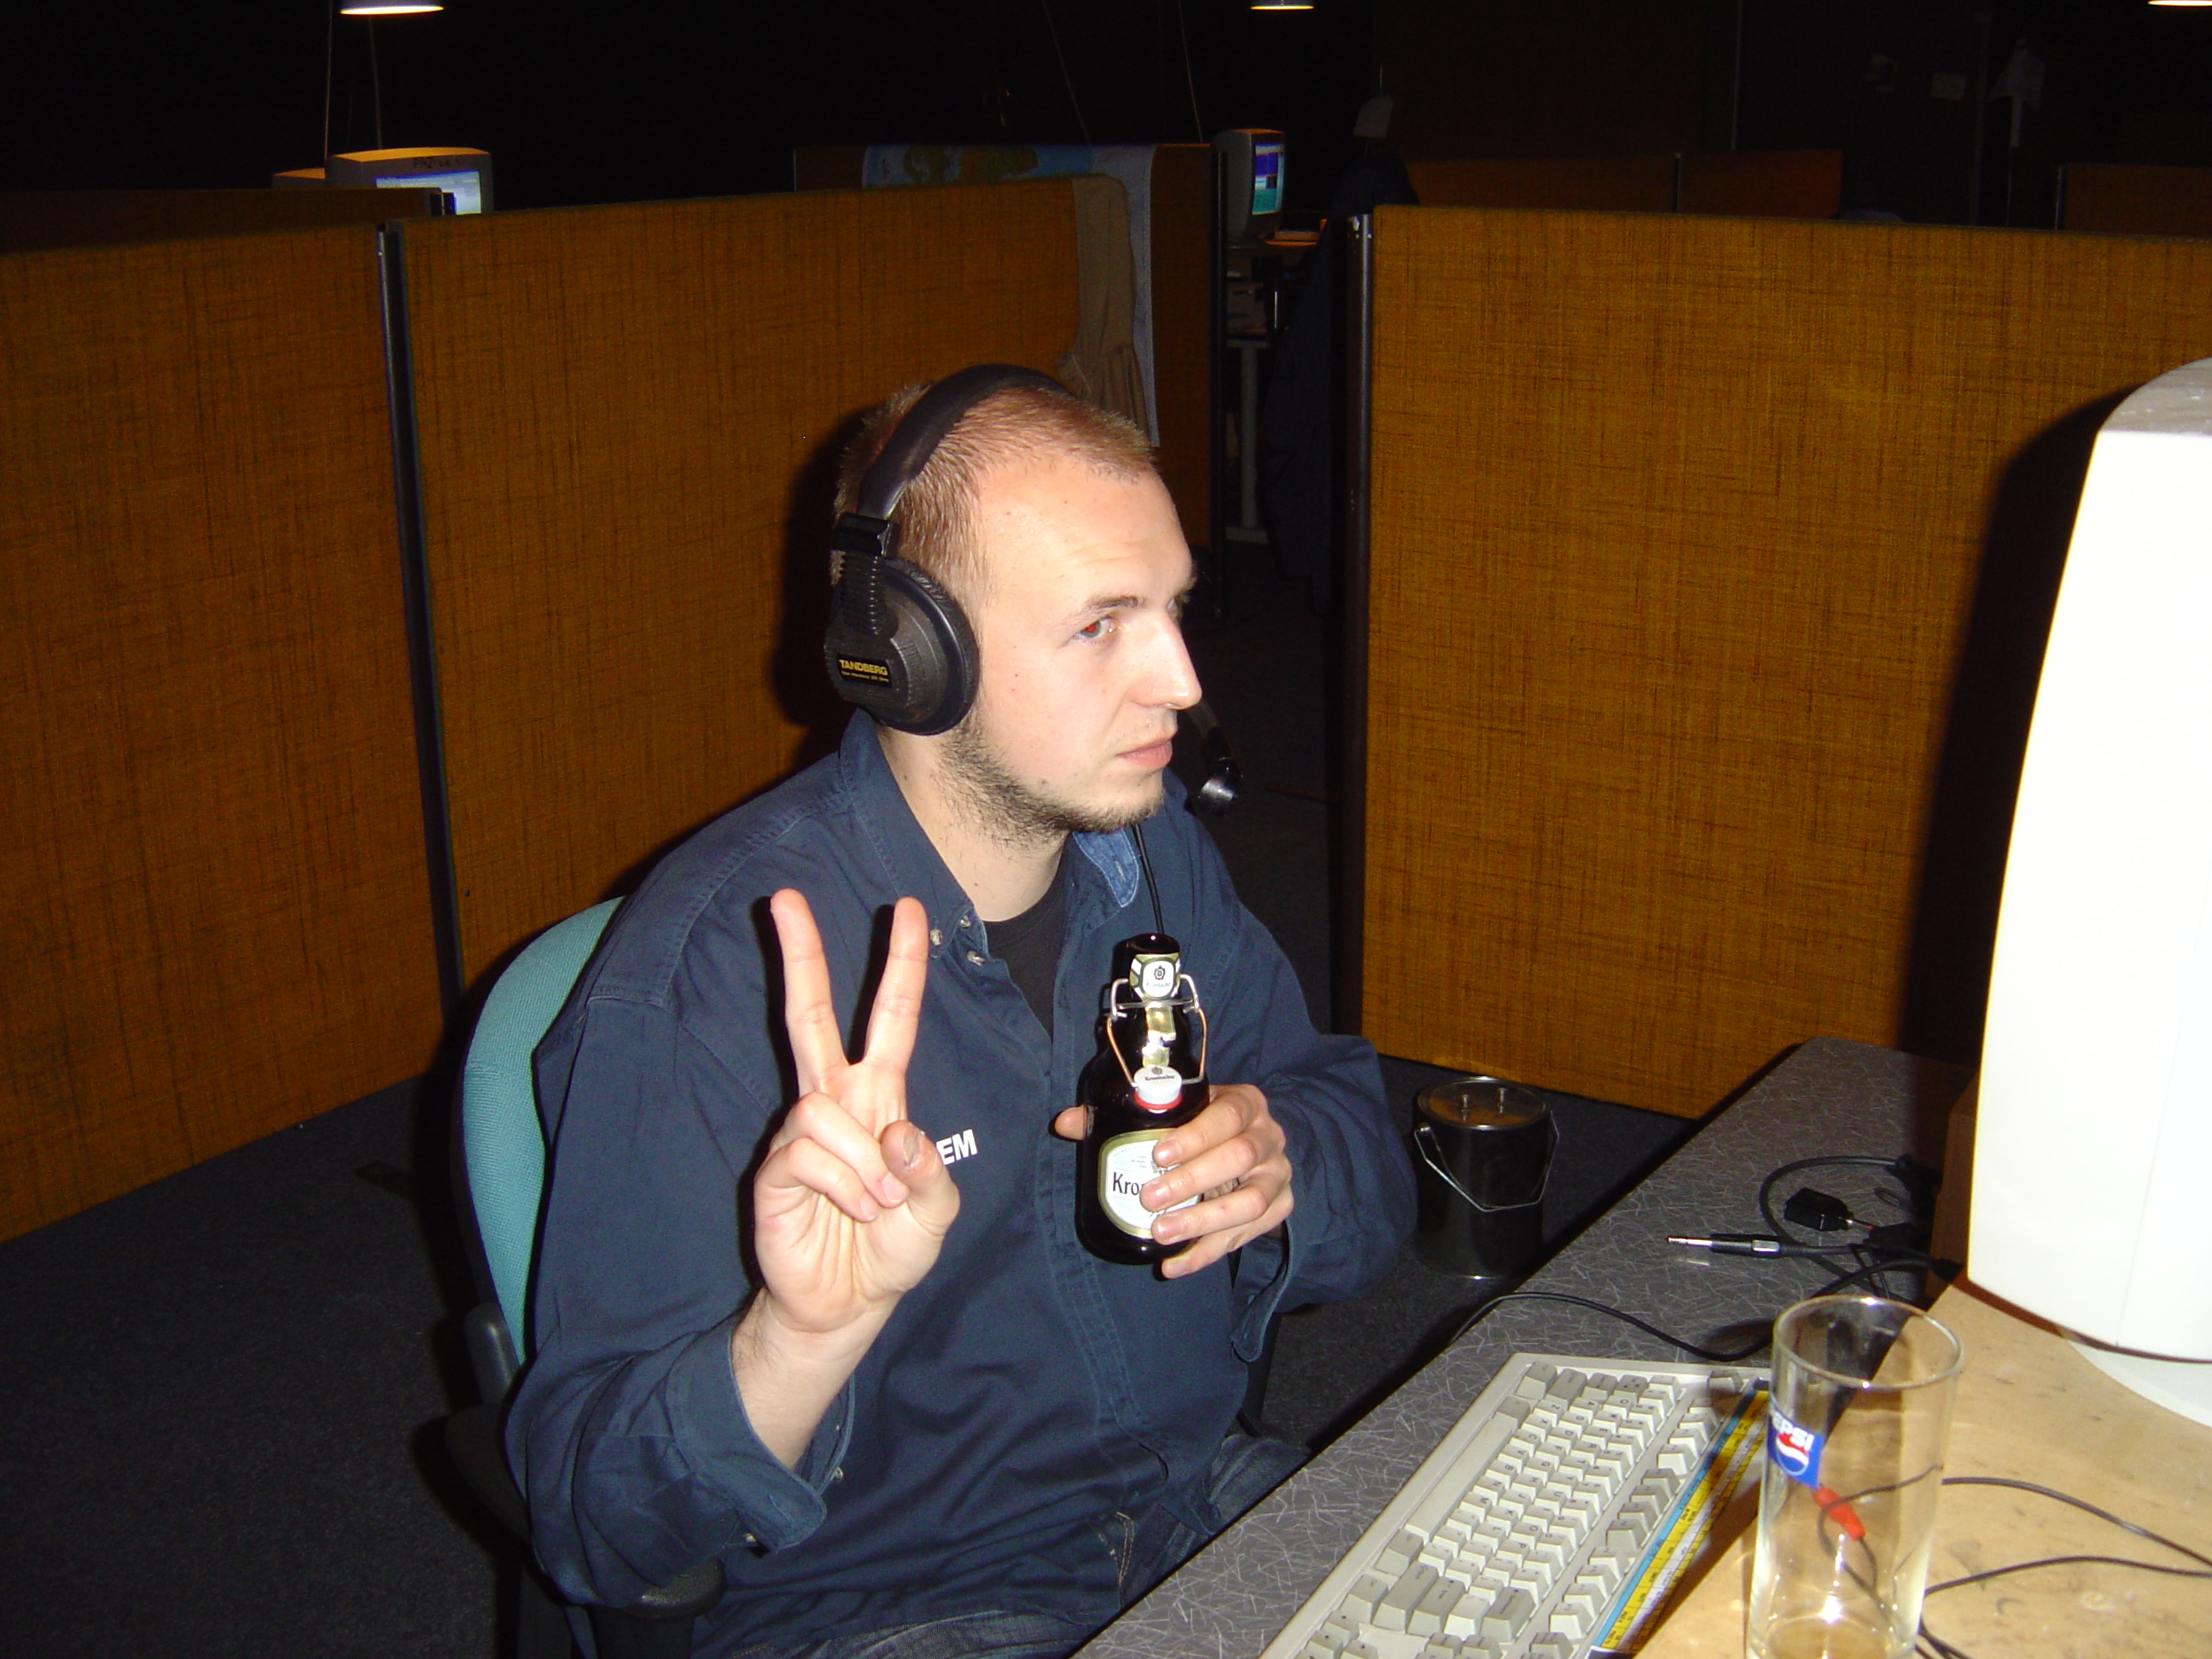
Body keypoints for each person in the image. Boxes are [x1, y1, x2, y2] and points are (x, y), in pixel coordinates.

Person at [508, 368, 1415, 1658]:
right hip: (895, 1609)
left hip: (1197, 1510)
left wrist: (1286, 1162)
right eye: (1101, 625)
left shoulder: (1152, 860)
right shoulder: (714, 975)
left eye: (1172, 608)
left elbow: (1364, 1174)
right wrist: (795, 1340)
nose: (1181, 679)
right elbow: (594, 1527)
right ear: (911, 655)